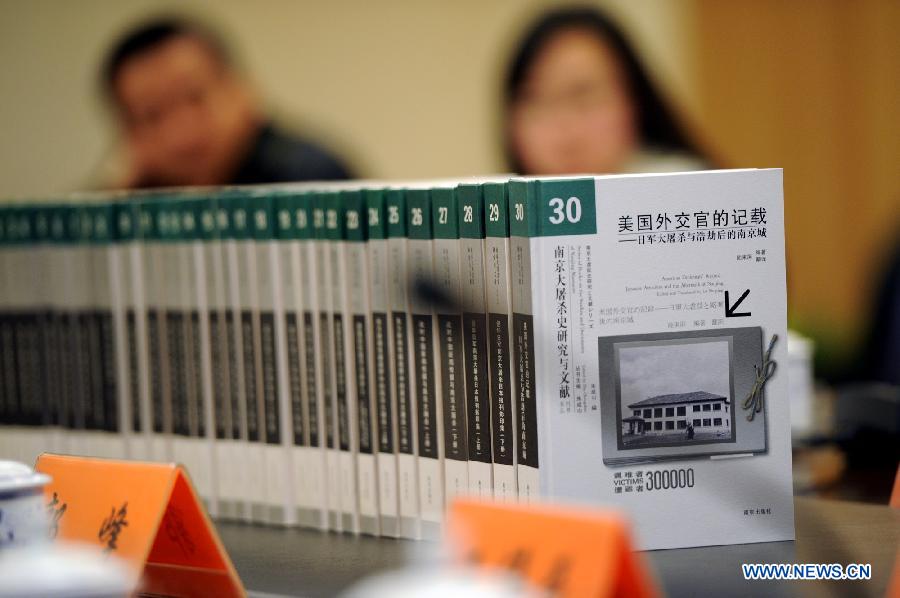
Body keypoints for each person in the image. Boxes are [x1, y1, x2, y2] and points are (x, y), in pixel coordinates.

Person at [101, 17, 353, 188]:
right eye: (152, 116)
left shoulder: (308, 177)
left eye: (196, 98)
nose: (182, 134)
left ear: (243, 90)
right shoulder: (131, 196)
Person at [502, 6, 710, 176]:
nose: (564, 131)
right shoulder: (498, 211)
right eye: (538, 102)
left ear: (634, 101)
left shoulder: (685, 190)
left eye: (583, 98)